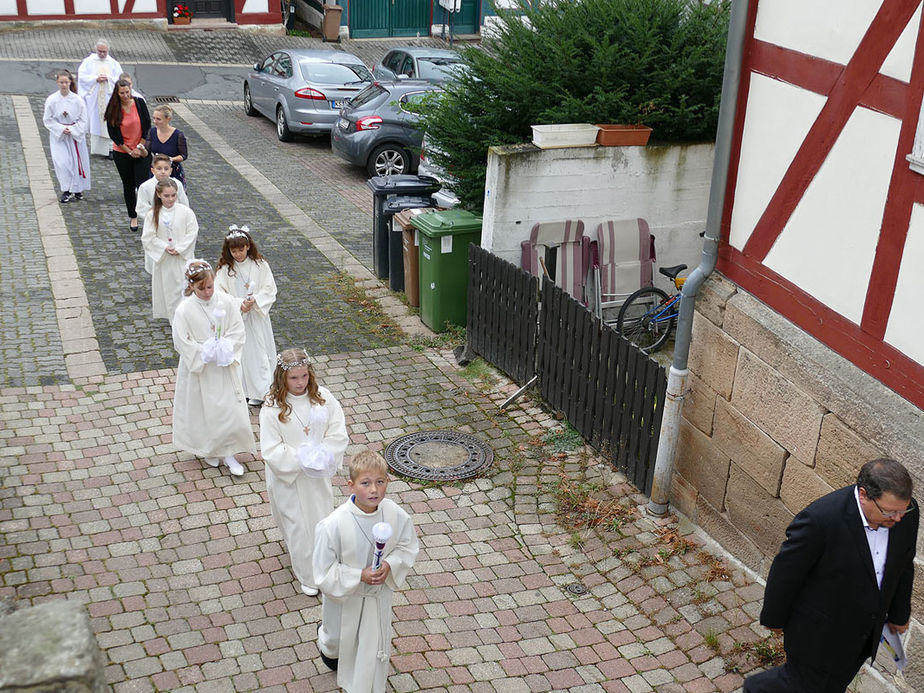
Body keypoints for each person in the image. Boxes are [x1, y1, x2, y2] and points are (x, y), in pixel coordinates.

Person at [745, 458, 919, 693]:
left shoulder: (907, 513)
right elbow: (786, 571)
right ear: (864, 495)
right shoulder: (820, 519)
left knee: (833, 685)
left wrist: (899, 614)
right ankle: (757, 689)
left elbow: (904, 565)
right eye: (890, 511)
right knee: (799, 685)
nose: (898, 518)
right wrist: (774, 619)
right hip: (818, 634)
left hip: (862, 635)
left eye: (902, 510)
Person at [312, 450, 419, 692]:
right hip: (346, 599)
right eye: (366, 483)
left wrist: (390, 565)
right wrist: (359, 575)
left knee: (370, 648)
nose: (374, 490)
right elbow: (323, 571)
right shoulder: (334, 525)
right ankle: (326, 642)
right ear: (351, 485)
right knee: (337, 643)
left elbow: (406, 545)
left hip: (377, 597)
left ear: (387, 482)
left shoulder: (394, 513)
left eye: (380, 482)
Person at [259, 348, 348, 595]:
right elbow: (271, 449)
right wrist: (301, 457)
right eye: (294, 378)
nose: (300, 383)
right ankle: (307, 575)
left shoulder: (323, 398)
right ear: (282, 378)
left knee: (320, 520)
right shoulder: (272, 407)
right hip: (289, 478)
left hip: (315, 477)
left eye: (304, 376)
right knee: (298, 525)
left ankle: (325, 564)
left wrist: (321, 455)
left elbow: (337, 432)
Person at [172, 260, 256, 476]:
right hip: (201, 368)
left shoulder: (226, 301)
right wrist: (204, 352)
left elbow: (237, 329)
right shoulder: (184, 310)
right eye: (202, 288)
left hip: (223, 364)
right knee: (204, 410)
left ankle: (229, 451)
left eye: (210, 286)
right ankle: (209, 447)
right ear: (191, 286)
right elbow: (181, 341)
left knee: (227, 408)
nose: (208, 292)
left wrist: (225, 347)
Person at [215, 226, 277, 406]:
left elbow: (269, 288)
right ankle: (243, 389)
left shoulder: (260, 265)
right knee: (243, 354)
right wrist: (238, 303)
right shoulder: (226, 269)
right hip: (238, 317)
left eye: (241, 250)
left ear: (248, 246)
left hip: (257, 316)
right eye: (234, 251)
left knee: (260, 352)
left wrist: (255, 300)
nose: (238, 254)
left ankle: (264, 390)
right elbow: (219, 293)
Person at [141, 179, 198, 323]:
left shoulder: (186, 212)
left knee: (185, 287)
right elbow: (148, 237)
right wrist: (164, 247)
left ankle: (188, 318)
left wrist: (180, 248)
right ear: (159, 195)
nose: (171, 199)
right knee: (170, 291)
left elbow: (192, 232)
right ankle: (175, 320)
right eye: (167, 196)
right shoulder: (153, 214)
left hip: (183, 258)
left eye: (173, 195)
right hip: (165, 259)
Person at [104, 79, 151, 231]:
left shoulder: (139, 103)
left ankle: (149, 216)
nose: (125, 95)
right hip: (122, 152)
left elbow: (147, 126)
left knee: (142, 185)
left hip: (140, 149)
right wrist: (129, 151)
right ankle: (133, 216)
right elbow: (114, 134)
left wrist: (139, 147)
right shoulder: (113, 109)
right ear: (117, 94)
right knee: (128, 185)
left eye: (127, 92)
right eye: (122, 93)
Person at [43, 70, 90, 203]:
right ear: (57, 82)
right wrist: (62, 128)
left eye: (66, 82)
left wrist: (74, 129)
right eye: (61, 82)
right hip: (59, 136)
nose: (64, 85)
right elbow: (48, 119)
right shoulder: (52, 100)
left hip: (75, 135)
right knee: (62, 162)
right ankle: (66, 189)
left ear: (70, 82)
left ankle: (77, 188)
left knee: (76, 162)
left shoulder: (77, 100)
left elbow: (83, 119)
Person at [136, 154, 189, 274]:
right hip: (156, 226)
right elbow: (141, 208)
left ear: (171, 170)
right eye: (159, 169)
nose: (163, 172)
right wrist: (157, 214)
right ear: (152, 170)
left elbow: (184, 204)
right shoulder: (145, 187)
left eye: (166, 168)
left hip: (176, 226)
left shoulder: (177, 185)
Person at [77, 38, 122, 156]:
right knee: (95, 122)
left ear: (108, 51)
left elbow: (120, 78)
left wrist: (109, 78)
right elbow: (82, 77)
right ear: (95, 49)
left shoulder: (113, 63)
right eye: (100, 51)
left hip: (108, 98)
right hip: (95, 98)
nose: (102, 54)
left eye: (104, 52)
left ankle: (110, 149)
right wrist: (95, 79)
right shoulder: (88, 61)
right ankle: (96, 149)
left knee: (109, 122)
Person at [144, 104, 189, 188]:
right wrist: (141, 149)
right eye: (154, 118)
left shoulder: (178, 135)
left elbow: (183, 155)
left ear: (168, 119)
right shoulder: (152, 132)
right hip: (157, 170)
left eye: (158, 119)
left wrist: (171, 159)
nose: (155, 121)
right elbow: (147, 150)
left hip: (173, 171)